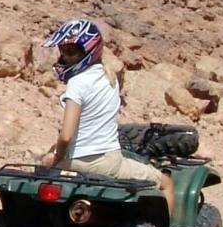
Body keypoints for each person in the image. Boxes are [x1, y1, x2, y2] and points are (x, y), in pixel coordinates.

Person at [37, 16, 174, 215]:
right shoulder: (110, 78)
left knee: (44, 164)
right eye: (62, 51)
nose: (64, 57)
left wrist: (57, 158)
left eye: (71, 52)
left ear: (88, 50)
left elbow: (66, 136)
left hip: (76, 163)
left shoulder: (77, 83)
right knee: (166, 183)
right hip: (107, 163)